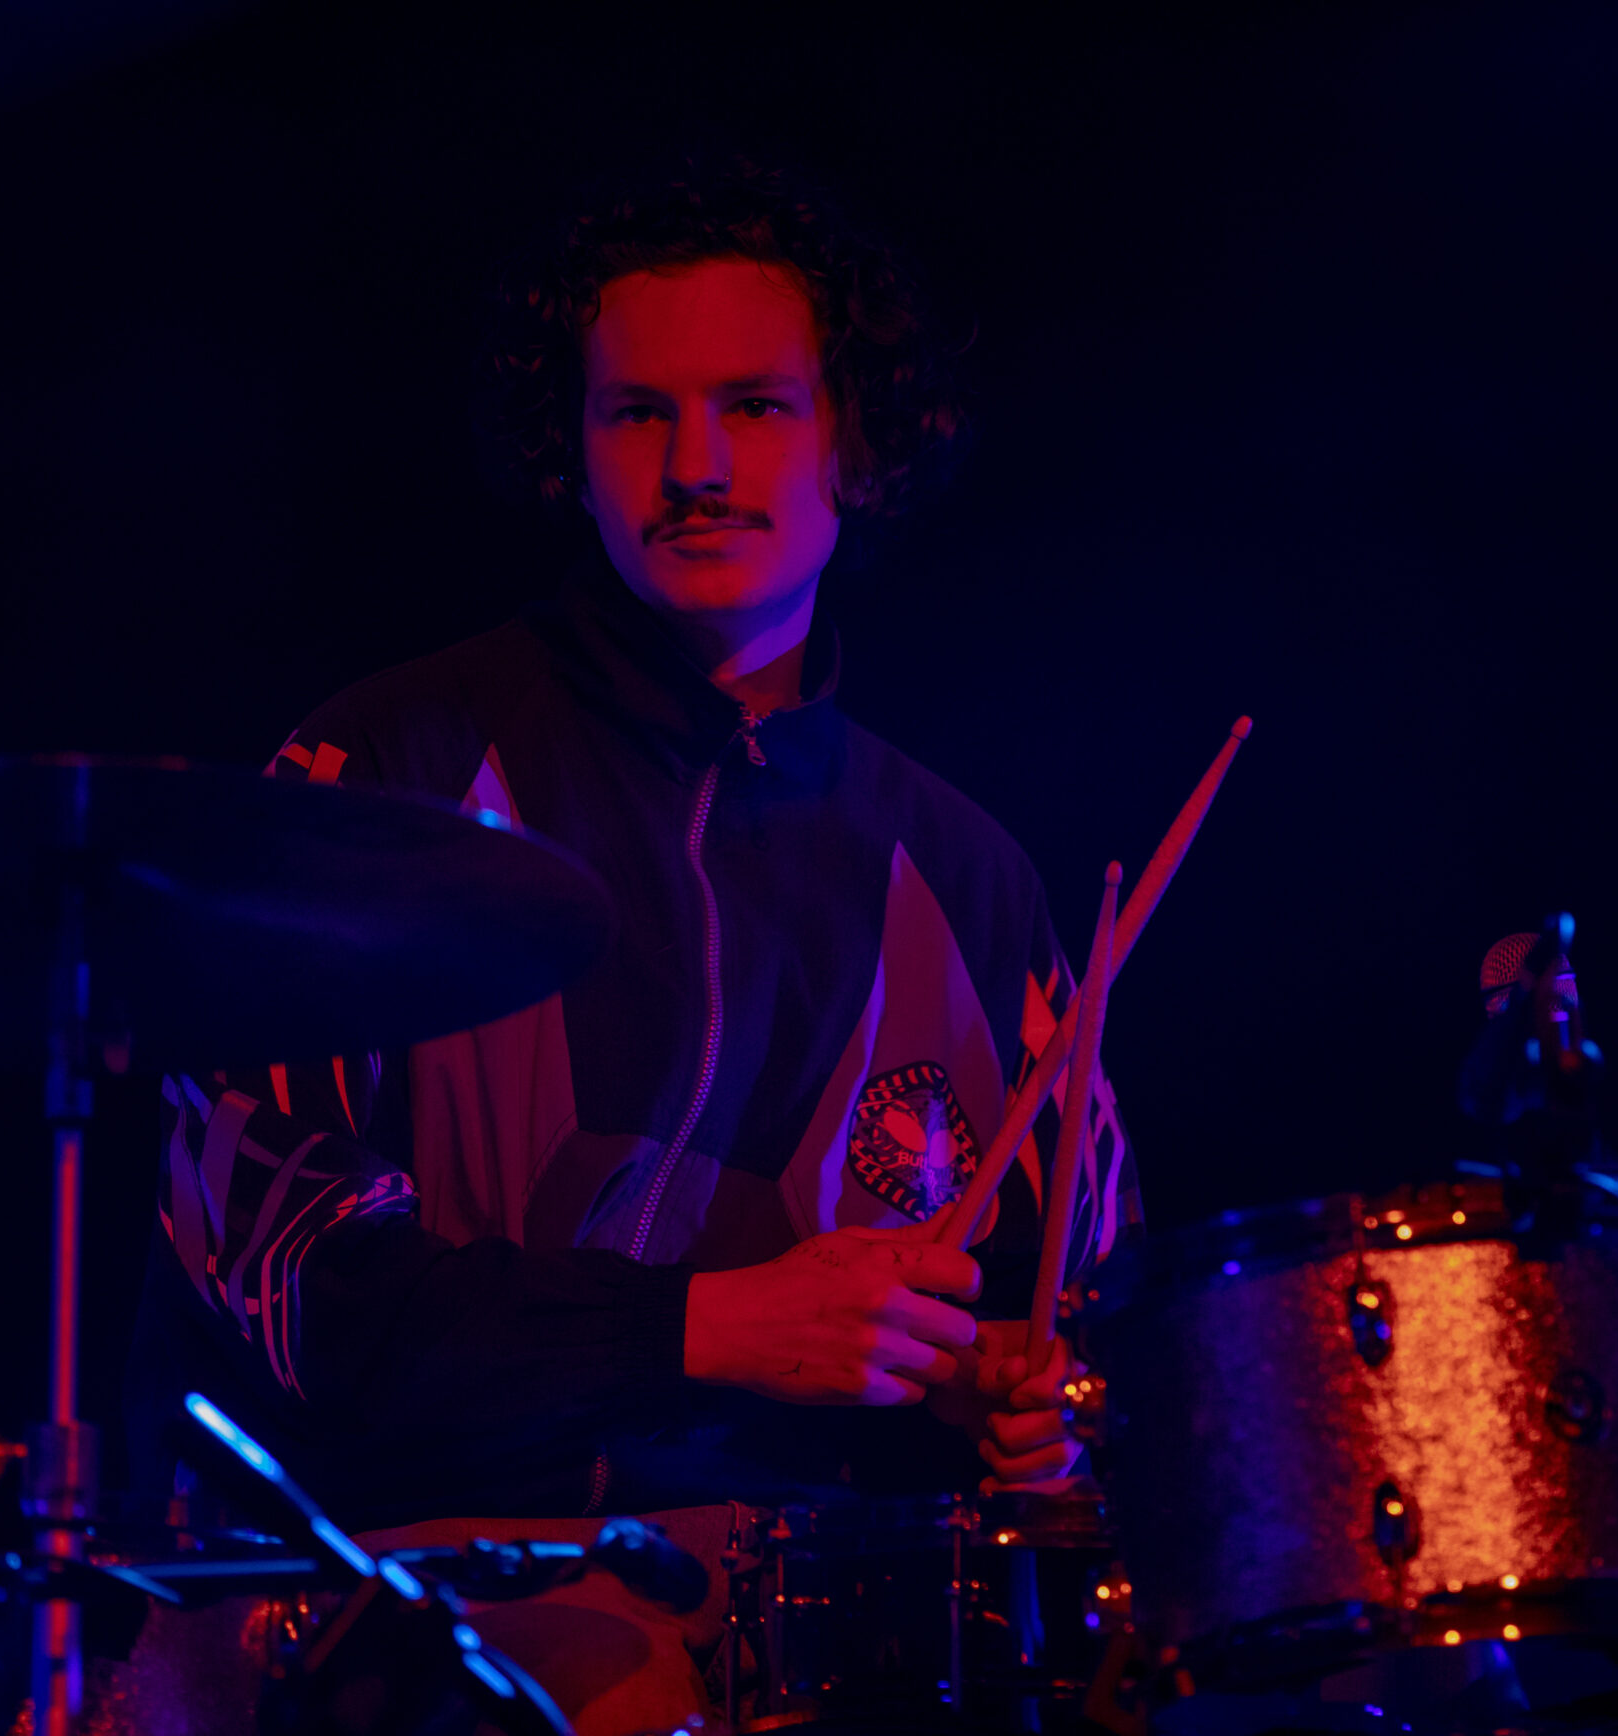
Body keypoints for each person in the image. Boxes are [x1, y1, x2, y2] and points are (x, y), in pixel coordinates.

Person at [125, 161, 1137, 1731]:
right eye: (638, 414)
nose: (697, 467)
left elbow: (1091, 1328)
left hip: (838, 1643)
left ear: (860, 443)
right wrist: (713, 1326)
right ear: (573, 453)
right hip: (412, 1620)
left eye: (758, 407)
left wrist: (1029, 1404)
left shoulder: (971, 878)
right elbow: (301, 1294)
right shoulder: (378, 777)